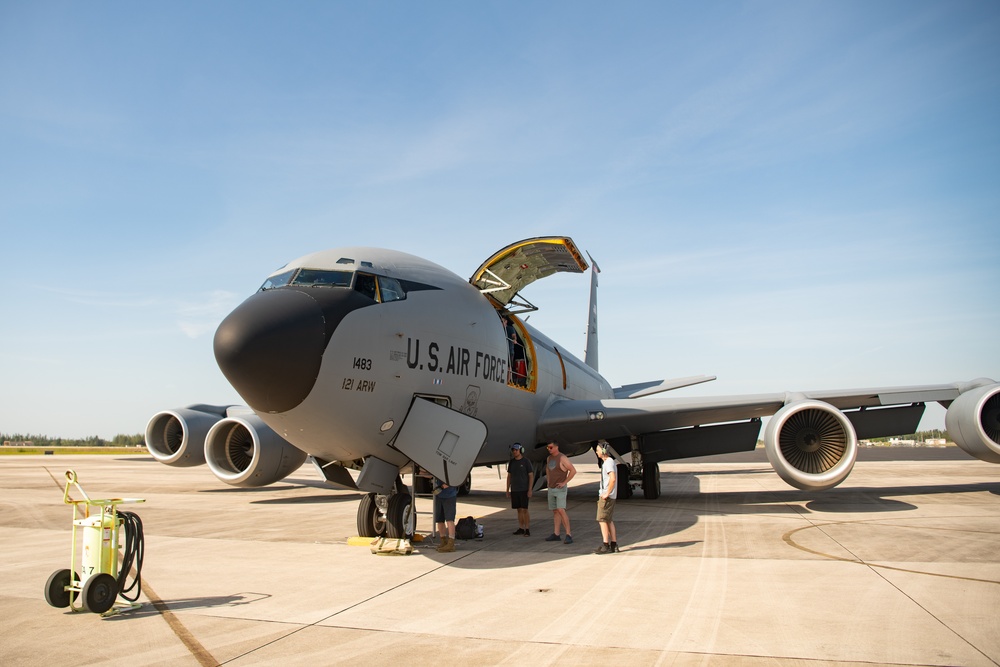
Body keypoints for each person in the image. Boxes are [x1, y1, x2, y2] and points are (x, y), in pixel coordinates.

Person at [543, 442, 576, 544]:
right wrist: (548, 481)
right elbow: (548, 469)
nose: (549, 449)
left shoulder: (562, 458)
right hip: (551, 488)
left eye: (551, 447)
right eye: (548, 447)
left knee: (561, 510)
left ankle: (568, 534)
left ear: (557, 447)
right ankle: (556, 534)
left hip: (560, 489)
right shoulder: (549, 458)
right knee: (555, 511)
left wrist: (564, 482)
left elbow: (573, 470)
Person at [594, 440, 619, 554]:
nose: (596, 452)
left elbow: (612, 478)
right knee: (609, 520)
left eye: (597, 450)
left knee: (602, 520)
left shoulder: (608, 462)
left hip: (607, 497)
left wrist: (606, 493)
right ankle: (614, 545)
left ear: (603, 451)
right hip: (609, 496)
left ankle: (606, 545)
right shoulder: (609, 462)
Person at [506, 443, 534, 536]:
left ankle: (527, 529)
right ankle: (521, 527)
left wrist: (530, 489)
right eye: (513, 450)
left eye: (516, 450)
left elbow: (530, 476)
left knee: (525, 509)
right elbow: (509, 476)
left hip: (524, 489)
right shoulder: (512, 462)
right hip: (515, 489)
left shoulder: (526, 461)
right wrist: (507, 489)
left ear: (521, 450)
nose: (514, 452)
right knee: (518, 509)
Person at [433, 476, 459, 553]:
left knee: (449, 519)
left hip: (449, 495)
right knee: (439, 520)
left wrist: (442, 487)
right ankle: (443, 541)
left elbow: (455, 479)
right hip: (439, 495)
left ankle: (451, 543)